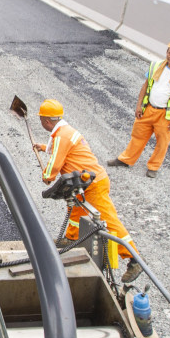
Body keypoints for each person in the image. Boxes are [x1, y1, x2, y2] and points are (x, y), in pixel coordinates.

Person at [33, 99, 143, 283]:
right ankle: (71, 237)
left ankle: (134, 259)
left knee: (109, 220)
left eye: (41, 120)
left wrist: (47, 176)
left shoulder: (62, 135)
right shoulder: (63, 131)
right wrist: (43, 147)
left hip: (93, 183)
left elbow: (56, 163)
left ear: (45, 120)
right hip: (84, 183)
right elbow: (60, 150)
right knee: (75, 210)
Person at [108, 38, 170, 178]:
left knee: (162, 142)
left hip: (166, 115)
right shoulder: (155, 66)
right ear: (167, 52)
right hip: (148, 109)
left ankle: (153, 167)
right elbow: (146, 85)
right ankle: (126, 159)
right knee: (138, 136)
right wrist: (139, 105)